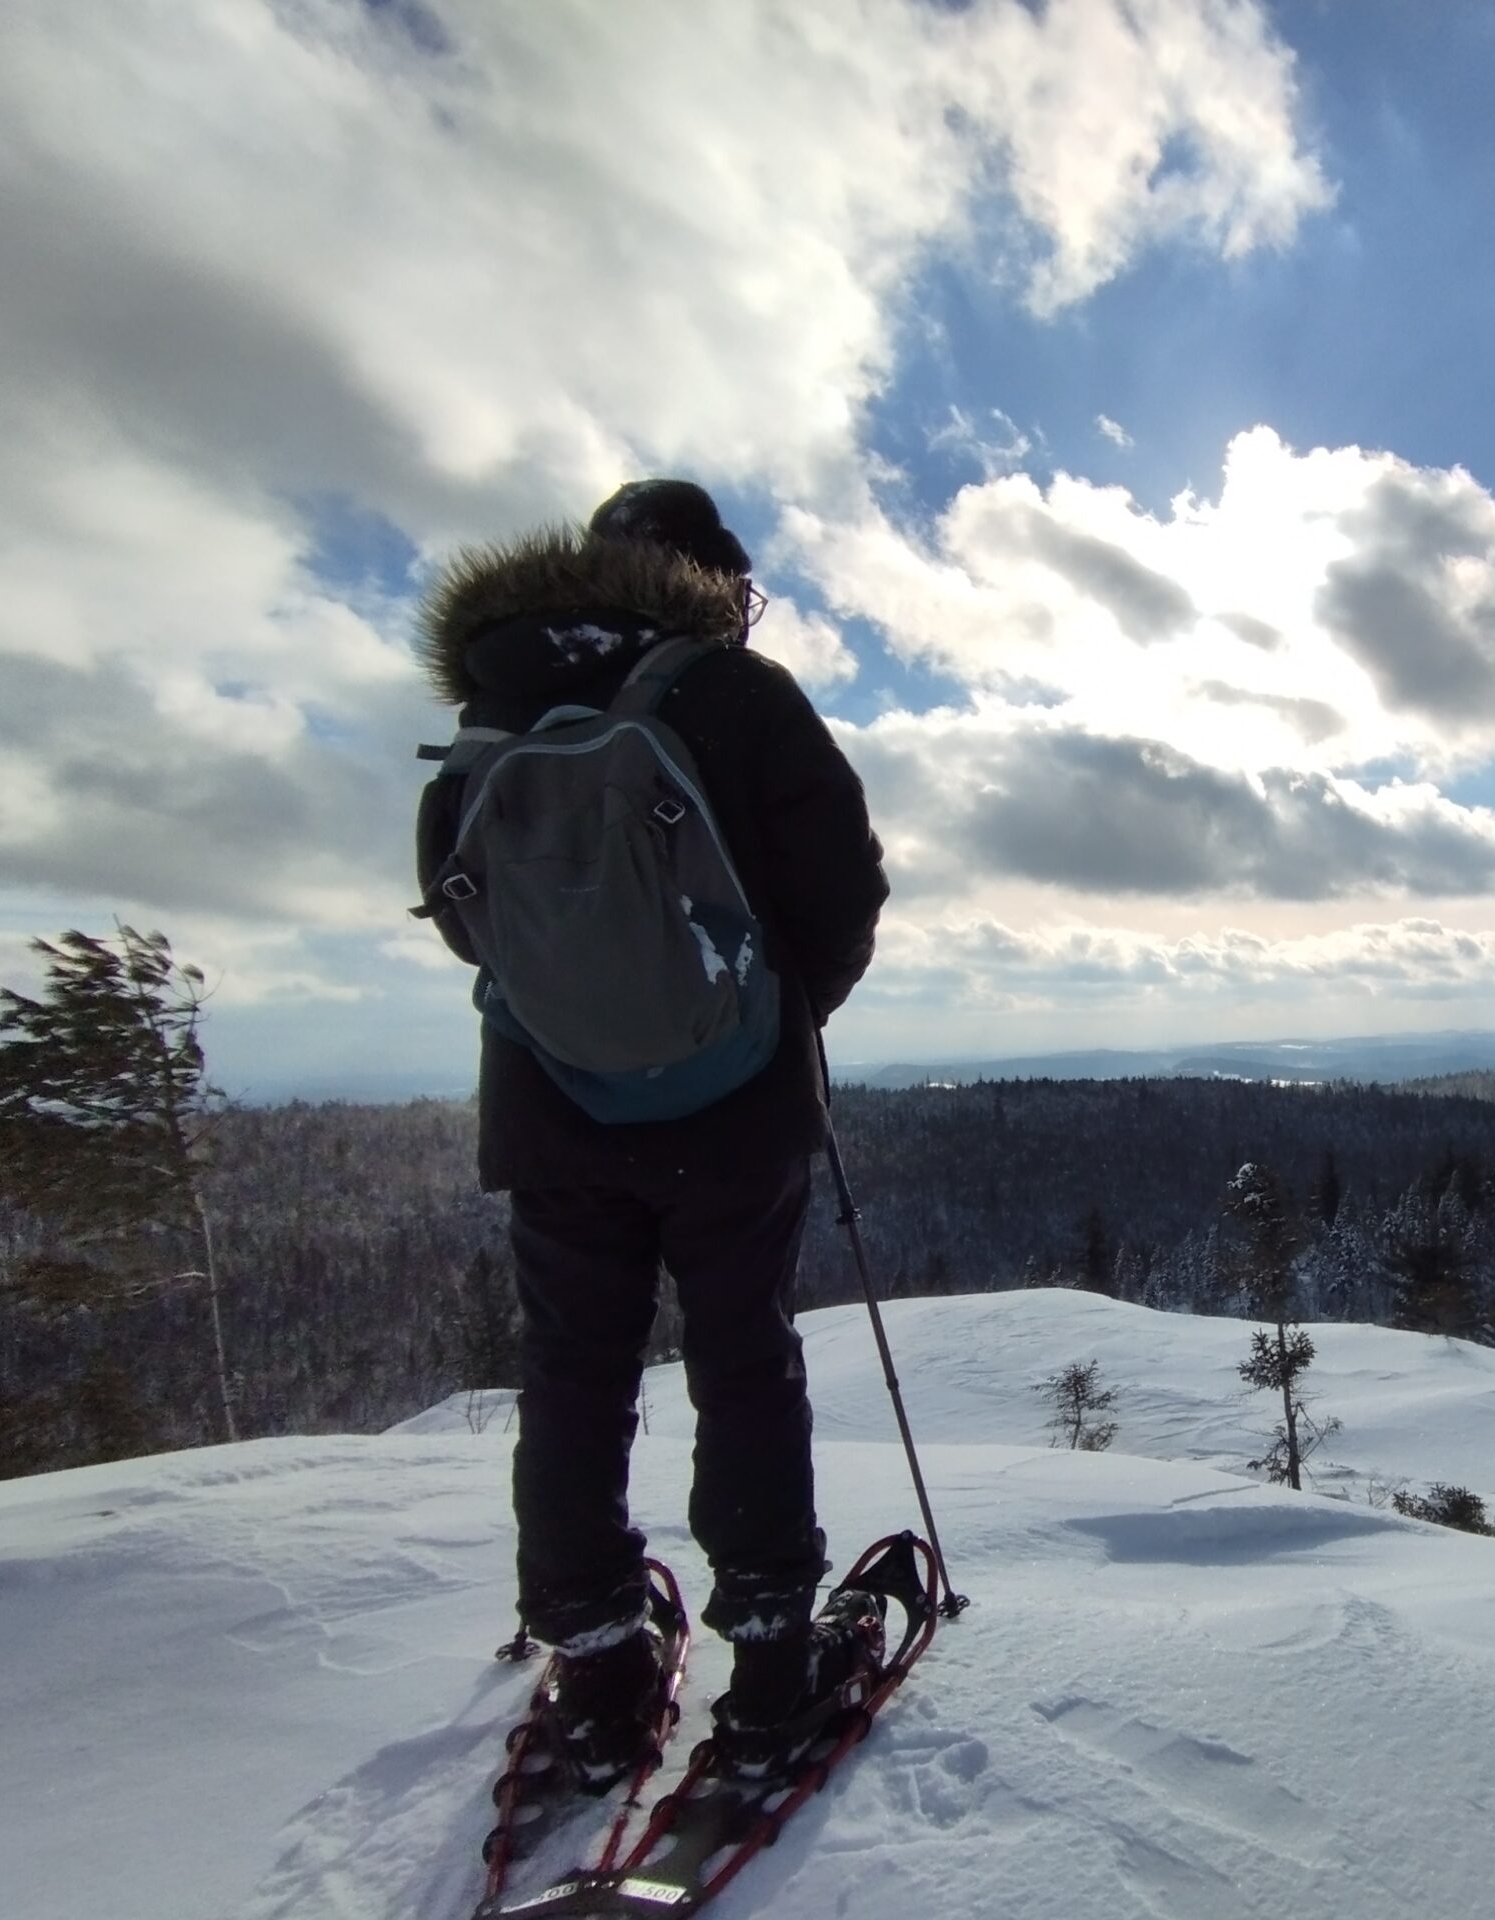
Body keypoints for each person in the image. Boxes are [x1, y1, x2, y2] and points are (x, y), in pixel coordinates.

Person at [414, 478, 890, 1785]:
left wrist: (573, 1014)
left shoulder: (498, 699)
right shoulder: (737, 693)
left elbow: (458, 908)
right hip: (735, 1108)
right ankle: (774, 1667)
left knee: (574, 1371)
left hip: (553, 1105)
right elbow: (842, 890)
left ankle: (597, 1663)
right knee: (745, 1361)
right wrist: (770, 1018)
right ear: (713, 579)